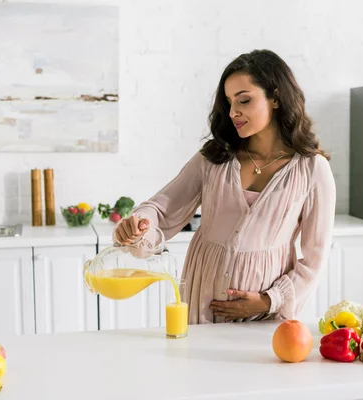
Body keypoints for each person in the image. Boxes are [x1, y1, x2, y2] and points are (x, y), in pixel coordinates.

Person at [113, 49, 336, 324]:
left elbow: (316, 258)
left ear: (276, 98)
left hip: (266, 316)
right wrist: (138, 225)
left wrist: (269, 300)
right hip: (202, 303)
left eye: (244, 100)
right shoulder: (214, 158)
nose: (233, 112)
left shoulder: (312, 169)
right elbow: (161, 208)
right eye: (229, 102)